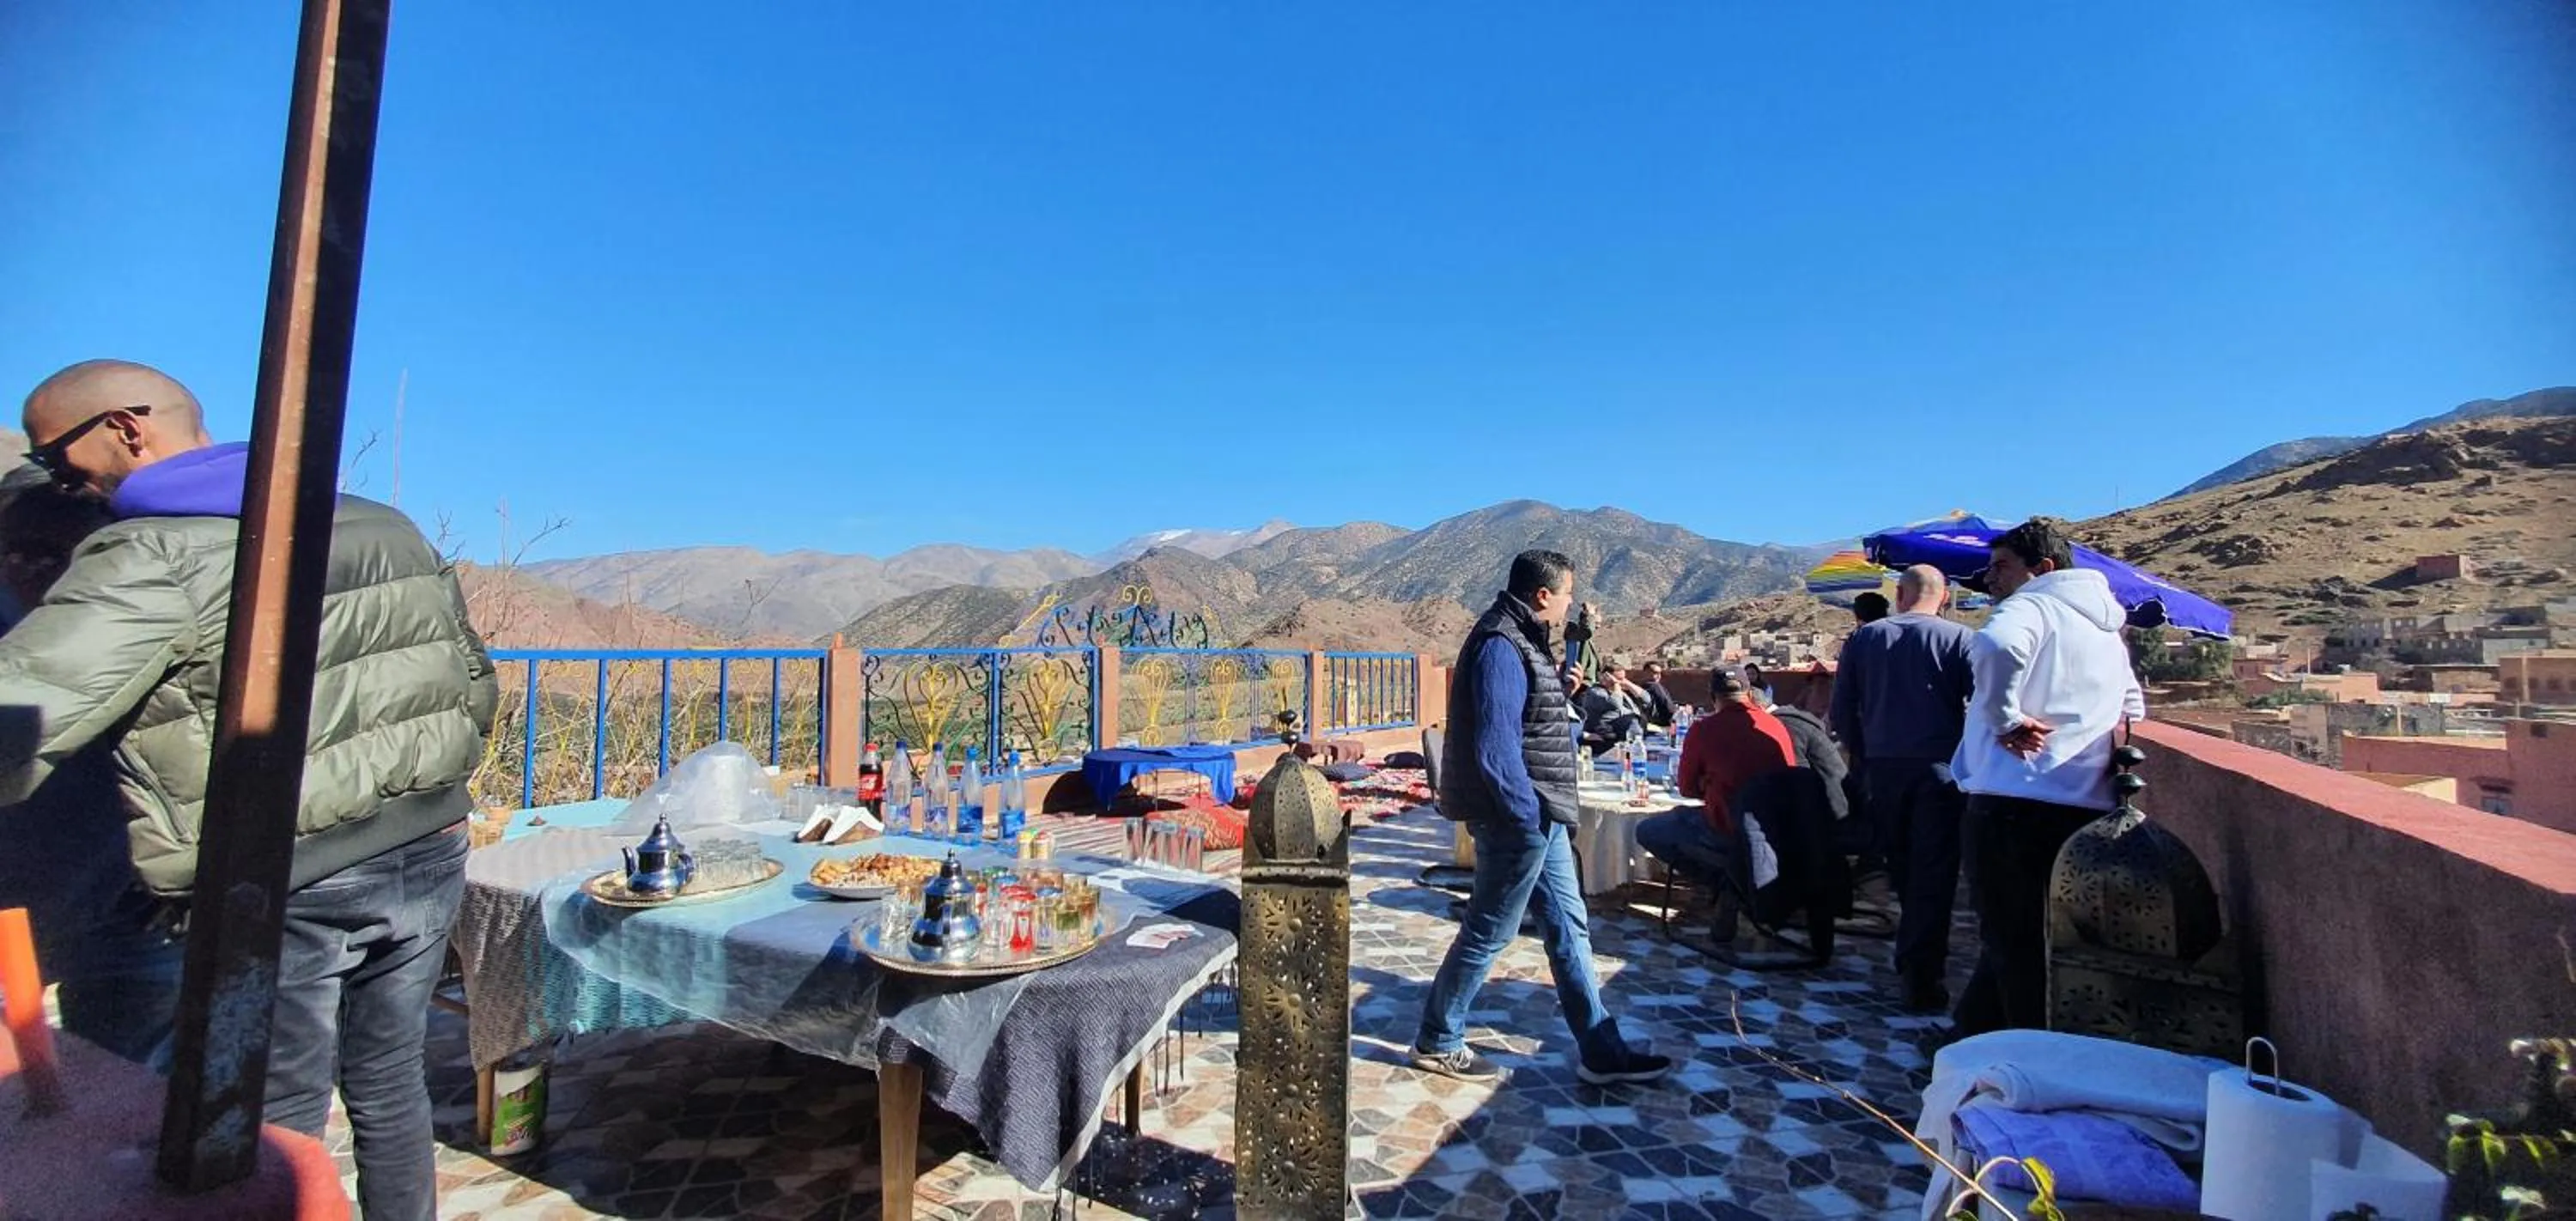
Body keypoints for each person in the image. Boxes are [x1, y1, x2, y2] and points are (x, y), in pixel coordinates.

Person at [0, 361, 498, 1220]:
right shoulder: (377, 523)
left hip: (283, 880)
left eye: (57, 456)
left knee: (273, 1121)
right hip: (424, 850)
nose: (60, 480)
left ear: (124, 427)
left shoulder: (151, 555)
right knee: (390, 1083)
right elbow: (475, 683)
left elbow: (27, 714)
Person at [1418, 550, 1670, 1085]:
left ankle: (1600, 1047)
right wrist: (1524, 816)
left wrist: (1563, 690)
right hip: (1521, 818)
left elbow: (1532, 724)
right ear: (1542, 595)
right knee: (1491, 929)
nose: (1570, 605)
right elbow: (1495, 745)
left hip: (1540, 813)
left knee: (1569, 926)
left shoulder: (1524, 641)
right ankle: (1439, 1038)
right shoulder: (1499, 646)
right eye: (1567, 595)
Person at [0, 471, 184, 1062]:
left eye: (55, 555)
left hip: (133, 903)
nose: (30, 567)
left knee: (127, 1086)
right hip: (25, 902)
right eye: (16, 550)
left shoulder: (144, 616)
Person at [1948, 517, 2146, 1036]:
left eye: (2001, 567)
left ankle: (2023, 1061)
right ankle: (1965, 1037)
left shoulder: (2031, 605)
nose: (1989, 579)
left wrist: (2005, 719)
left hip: (2015, 798)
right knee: (2031, 935)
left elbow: (1994, 648)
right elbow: (2132, 703)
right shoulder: (2106, 626)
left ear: (2043, 568)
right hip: (2084, 803)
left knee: (2014, 941)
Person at [1830, 563, 1978, 1014]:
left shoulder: (1865, 639)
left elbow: (1841, 710)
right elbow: (1982, 707)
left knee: (1900, 864)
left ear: (1898, 596)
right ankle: (1921, 973)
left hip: (1882, 770)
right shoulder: (1961, 641)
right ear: (1946, 597)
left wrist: (1865, 755)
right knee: (1935, 870)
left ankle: (1914, 953)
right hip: (1940, 770)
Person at [1638, 666, 1794, 893]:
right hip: (1777, 828)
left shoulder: (1704, 729)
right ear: (1750, 693)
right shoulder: (1775, 725)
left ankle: (1725, 882)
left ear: (1713, 697)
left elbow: (1687, 788)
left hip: (1727, 828)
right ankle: (1734, 881)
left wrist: (1710, 786)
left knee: (1648, 830)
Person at [1634, 659, 1678, 731]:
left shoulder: (1642, 687)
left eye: (1660, 673)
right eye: (1655, 673)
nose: (1658, 676)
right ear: (1646, 673)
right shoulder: (1654, 686)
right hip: (1661, 725)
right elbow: (1668, 706)